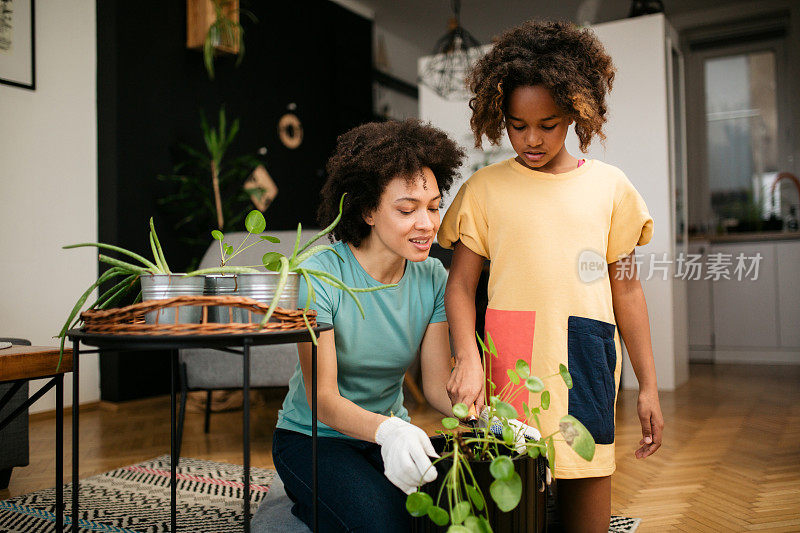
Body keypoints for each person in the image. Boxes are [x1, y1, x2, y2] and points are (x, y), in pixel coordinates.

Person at [439, 20, 665, 532]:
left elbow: (626, 287)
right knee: (512, 507)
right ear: (501, 116)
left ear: (577, 112)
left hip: (583, 360)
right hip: (509, 366)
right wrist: (468, 357)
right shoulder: (484, 189)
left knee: (586, 507)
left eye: (549, 123)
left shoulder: (611, 188)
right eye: (518, 125)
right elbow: (459, 285)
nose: (532, 139)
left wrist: (648, 386)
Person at [272, 119, 465, 532]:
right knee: (382, 524)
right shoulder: (318, 276)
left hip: (388, 436)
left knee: (453, 508)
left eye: (433, 206)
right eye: (406, 209)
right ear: (368, 210)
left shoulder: (432, 278)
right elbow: (323, 399)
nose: (428, 224)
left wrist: (488, 420)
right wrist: (389, 432)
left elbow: (434, 386)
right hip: (313, 440)